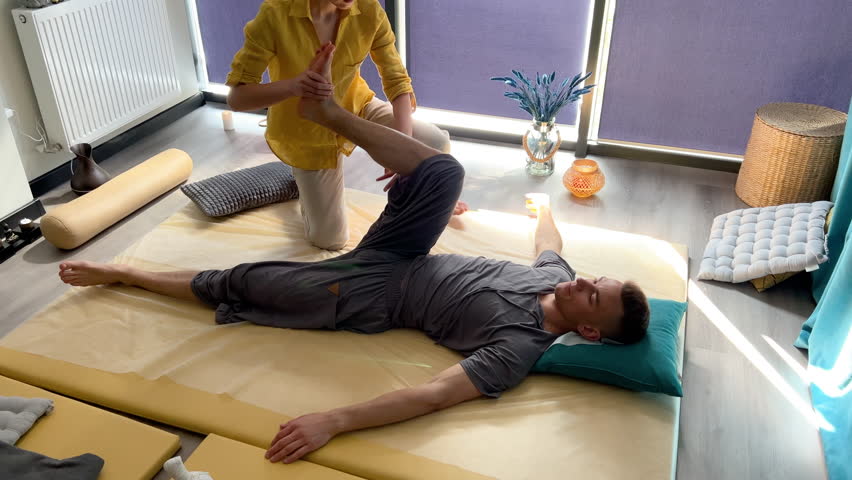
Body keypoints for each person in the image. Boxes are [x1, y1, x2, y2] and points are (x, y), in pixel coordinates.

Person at [57, 46, 650, 466]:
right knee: (445, 169)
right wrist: (538, 211)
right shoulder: (558, 278)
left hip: (372, 295)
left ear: (591, 331)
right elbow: (552, 246)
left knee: (244, 281)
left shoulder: (519, 349)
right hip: (406, 251)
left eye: (593, 294)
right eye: (595, 279)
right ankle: (330, 113)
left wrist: (333, 420)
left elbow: (434, 393)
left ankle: (126, 271)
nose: (585, 283)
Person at [226, 0, 465, 251]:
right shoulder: (275, 14)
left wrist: (401, 146)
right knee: (330, 241)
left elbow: (397, 80)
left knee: (433, 142)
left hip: (357, 106)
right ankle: (298, 183)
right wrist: (295, 86)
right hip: (304, 129)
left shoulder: (368, 10)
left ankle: (426, 201)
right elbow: (237, 98)